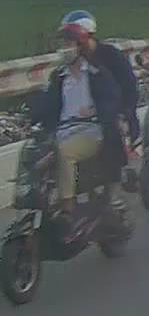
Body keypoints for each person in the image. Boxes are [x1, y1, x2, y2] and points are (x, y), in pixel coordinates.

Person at [29, 13, 127, 240]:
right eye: (62, 44)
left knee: (64, 153)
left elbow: (112, 98)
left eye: (68, 44)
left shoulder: (96, 73)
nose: (64, 49)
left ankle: (68, 208)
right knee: (36, 155)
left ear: (80, 46)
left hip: (90, 132)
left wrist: (96, 111)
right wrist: (31, 114)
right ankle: (46, 203)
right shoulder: (58, 76)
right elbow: (48, 103)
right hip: (62, 131)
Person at [57, 10, 140, 146]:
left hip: (111, 124)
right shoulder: (68, 68)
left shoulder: (110, 57)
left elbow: (129, 88)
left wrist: (122, 115)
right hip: (76, 127)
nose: (67, 47)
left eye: (71, 41)